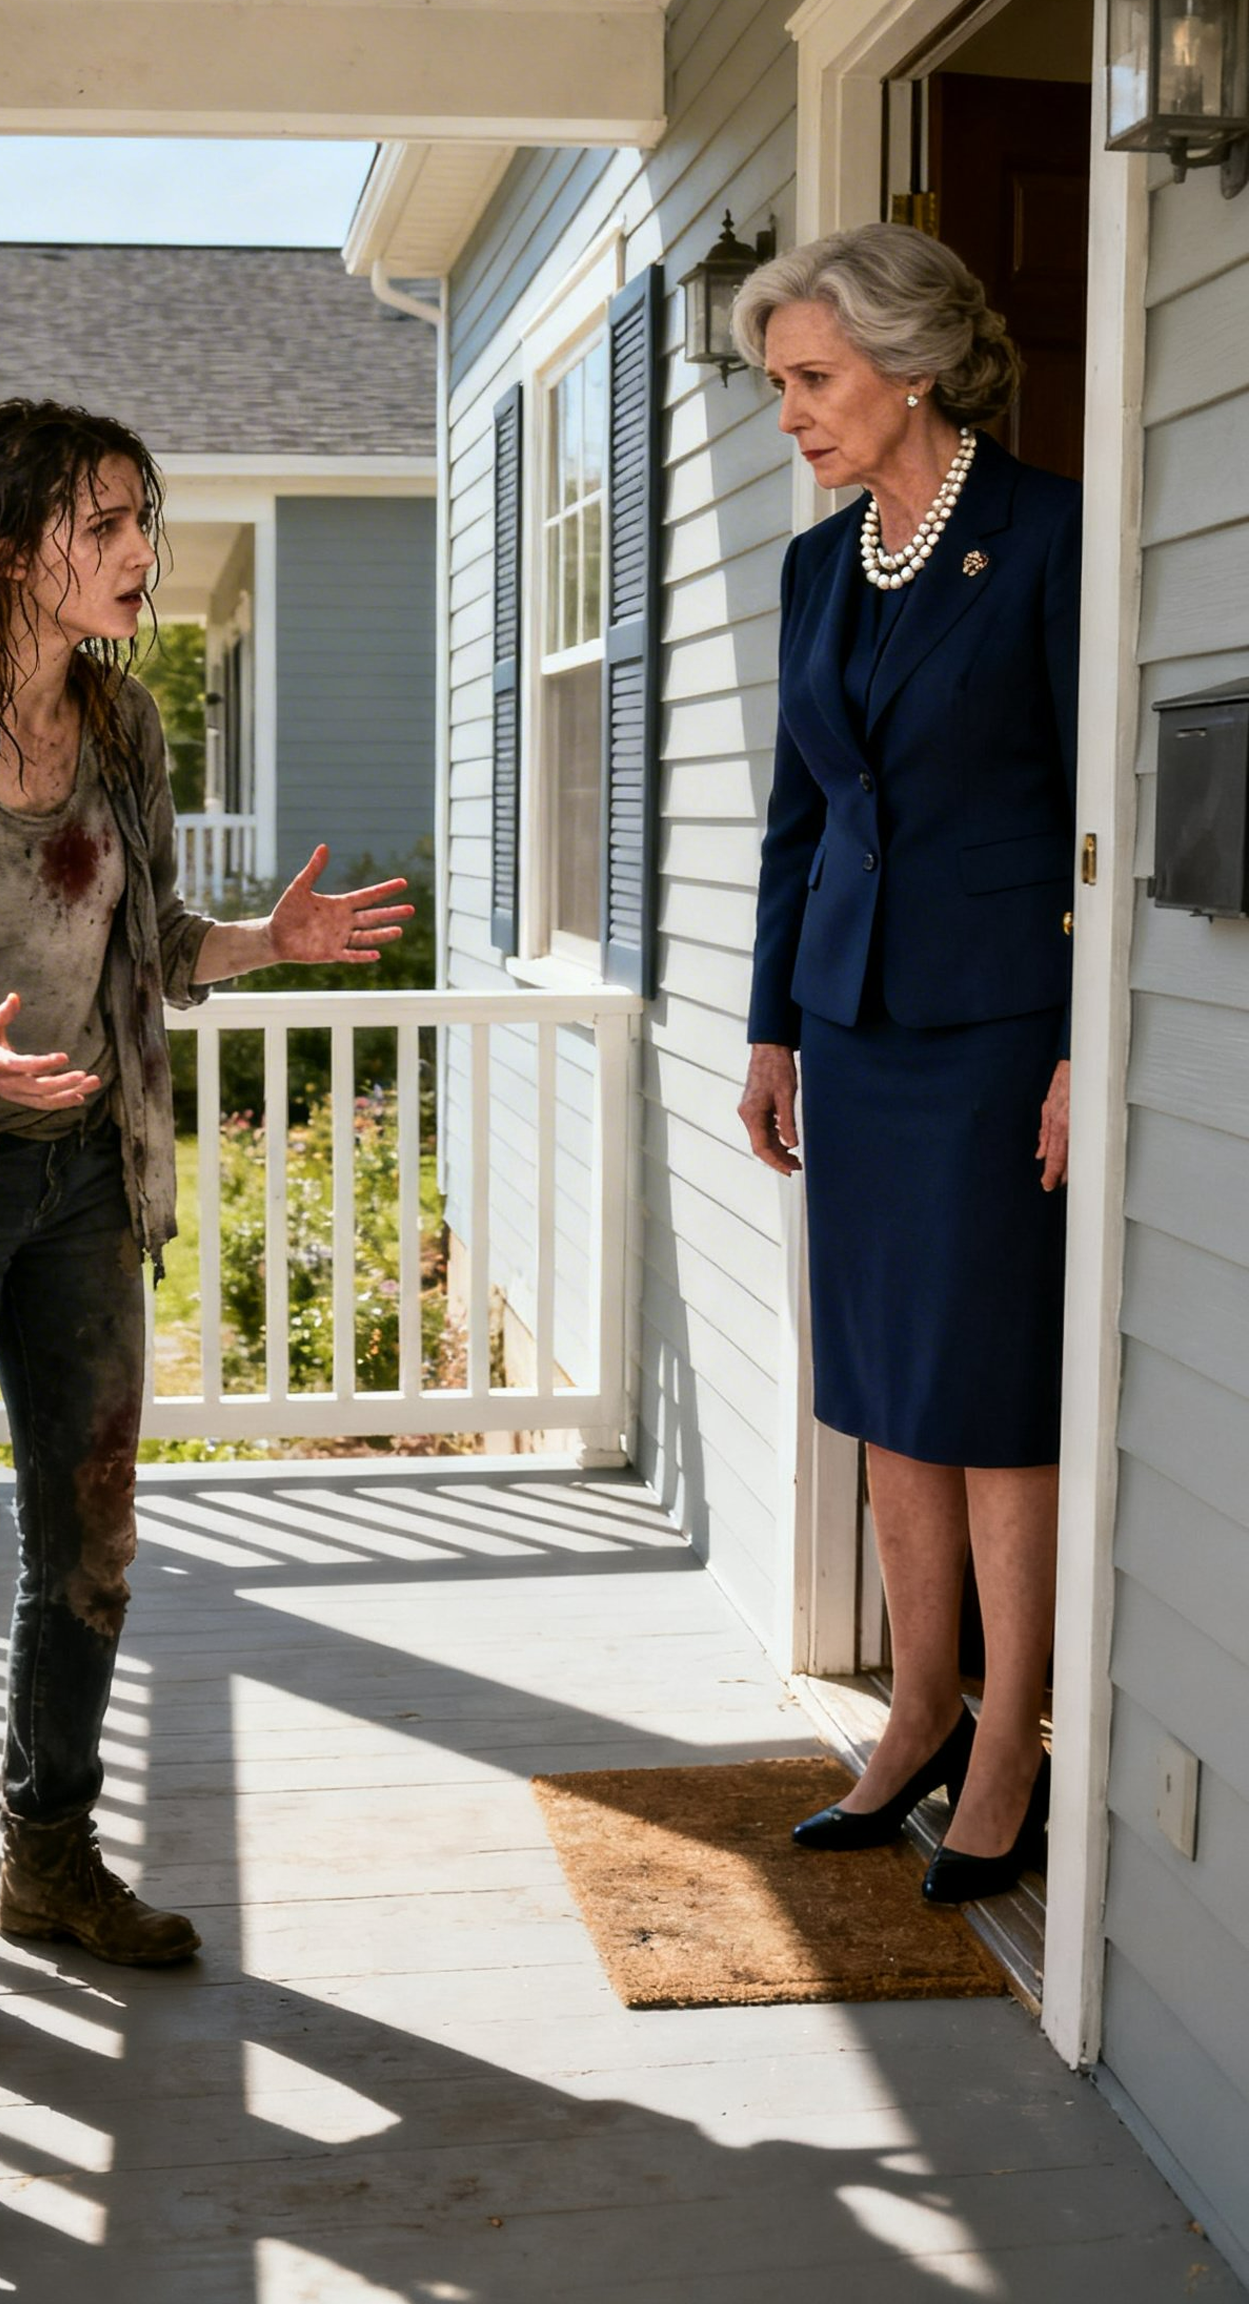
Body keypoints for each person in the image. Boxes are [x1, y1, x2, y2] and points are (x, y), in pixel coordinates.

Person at [0, 397, 413, 2049]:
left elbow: (143, 943)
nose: (143, 554)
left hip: (80, 1184)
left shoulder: (126, 728)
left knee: (94, 1543)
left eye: (147, 517)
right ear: (11, 549)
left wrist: (267, 944)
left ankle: (50, 1859)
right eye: (106, 526)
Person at [732, 224, 1078, 1904]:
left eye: (811, 379)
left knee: (994, 1388)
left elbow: (1103, 823)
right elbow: (802, 816)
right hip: (854, 1031)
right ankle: (918, 1704)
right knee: (878, 1380)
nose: (787, 412)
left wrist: (1094, 1047)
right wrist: (771, 1024)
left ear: (911, 367)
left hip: (1005, 1034)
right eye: (777, 383)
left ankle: (1011, 1728)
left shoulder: (1051, 538)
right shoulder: (819, 568)